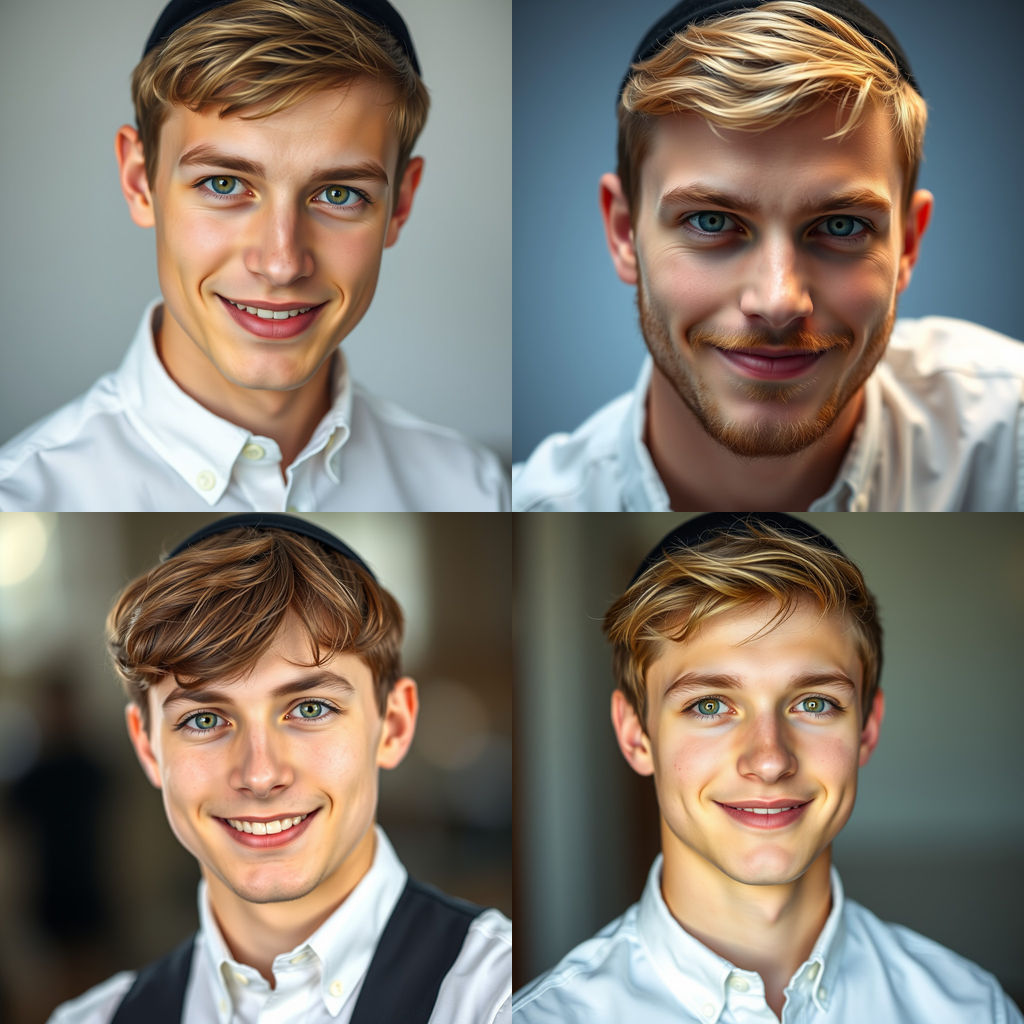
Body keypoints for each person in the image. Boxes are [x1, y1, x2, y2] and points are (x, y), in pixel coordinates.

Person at [504, 513, 1023, 1022]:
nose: (770, 760)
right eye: (709, 705)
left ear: (867, 728)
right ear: (636, 734)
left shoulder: (972, 1009)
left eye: (814, 703)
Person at [512, 0, 1024, 511]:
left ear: (908, 243)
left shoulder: (1010, 434)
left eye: (842, 226)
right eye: (711, 221)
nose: (778, 302)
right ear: (625, 232)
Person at [0, 0, 508, 511]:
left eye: (339, 194)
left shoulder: (477, 491)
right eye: (223, 184)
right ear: (139, 181)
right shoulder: (21, 498)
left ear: (400, 203)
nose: (281, 263)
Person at [47, 513, 512, 1024]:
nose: (260, 775)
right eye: (204, 719)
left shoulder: (508, 997)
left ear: (394, 725)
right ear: (148, 747)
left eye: (310, 709)